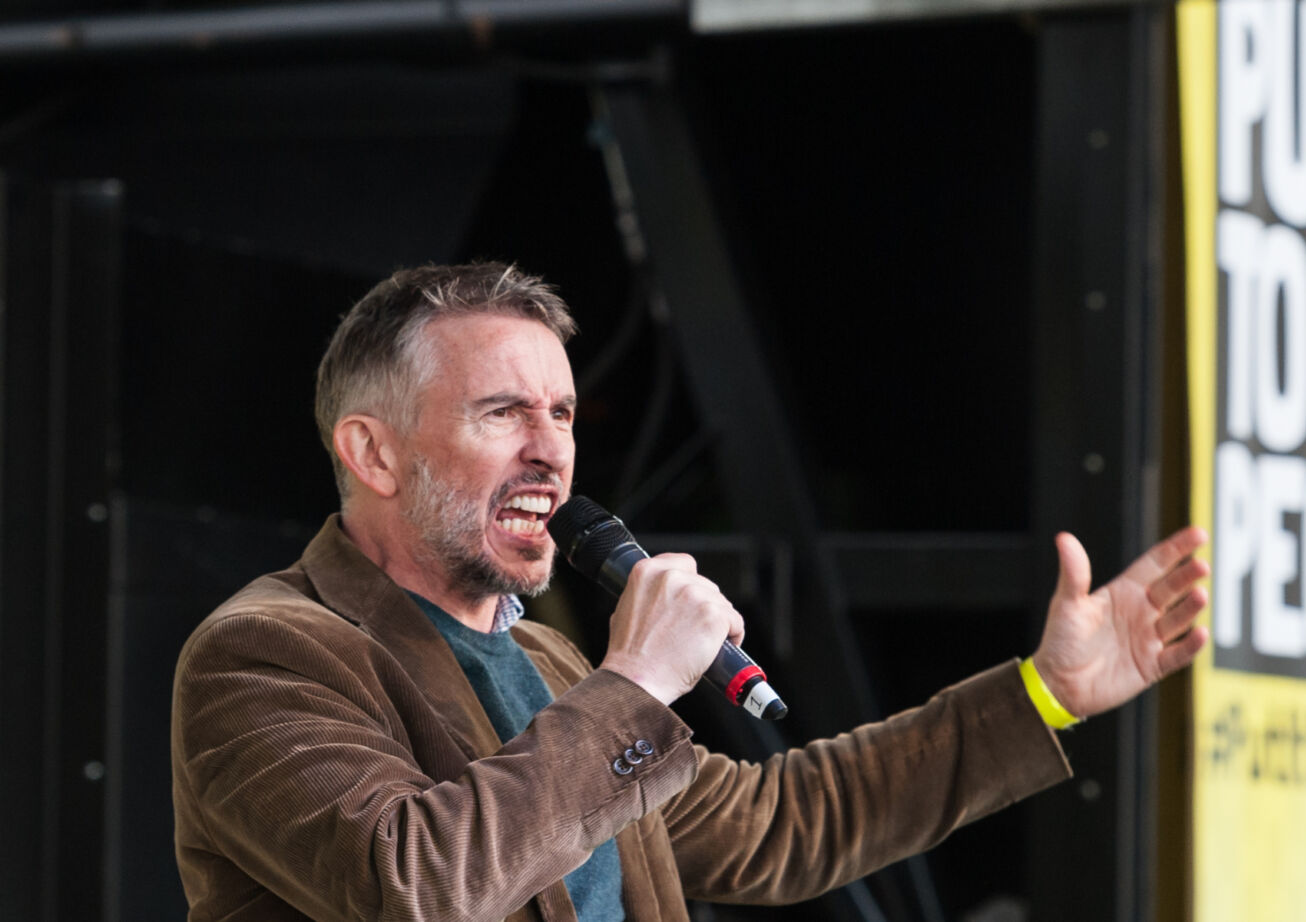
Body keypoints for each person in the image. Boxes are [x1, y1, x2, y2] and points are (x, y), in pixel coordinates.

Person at [171, 262, 1210, 922]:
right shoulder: (268, 652)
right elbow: (412, 885)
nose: (551, 453)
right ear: (374, 453)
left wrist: (1043, 693)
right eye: (503, 413)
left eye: (564, 413)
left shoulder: (547, 664)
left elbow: (782, 821)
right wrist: (636, 678)